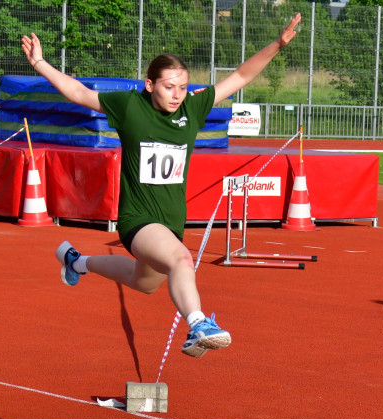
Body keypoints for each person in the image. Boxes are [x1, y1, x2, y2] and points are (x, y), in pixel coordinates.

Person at [21, 14, 301, 357]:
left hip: (170, 221)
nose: (177, 94)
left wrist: (277, 45)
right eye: (169, 86)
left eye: (182, 87)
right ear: (150, 84)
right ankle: (198, 324)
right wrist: (40, 63)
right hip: (138, 219)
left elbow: (240, 76)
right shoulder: (129, 106)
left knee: (145, 283)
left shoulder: (193, 108)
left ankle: (77, 263)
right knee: (182, 261)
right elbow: (80, 92)